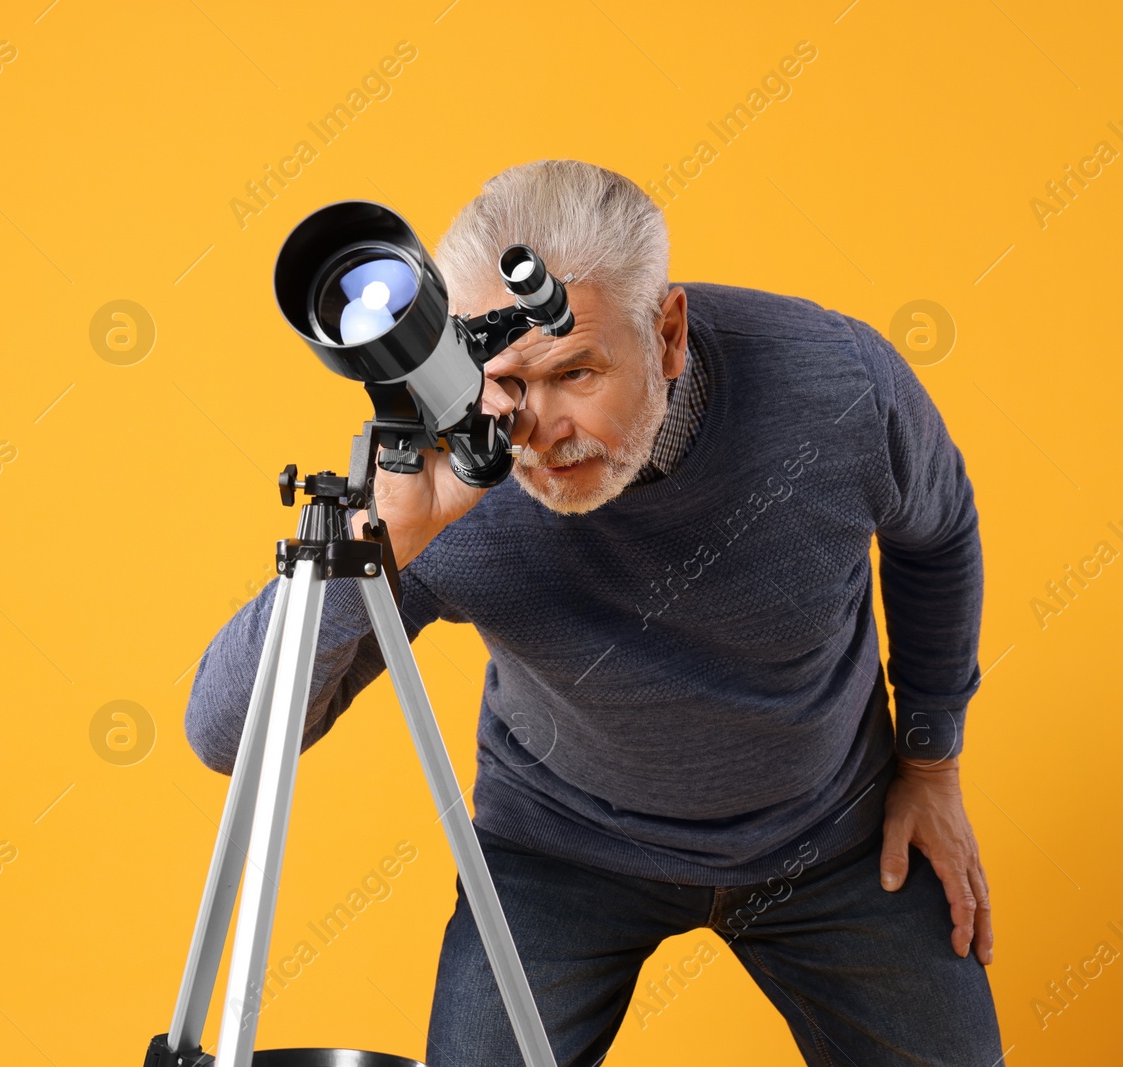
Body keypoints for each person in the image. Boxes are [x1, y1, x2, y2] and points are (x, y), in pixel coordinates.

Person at [184, 159, 1000, 1065]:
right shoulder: (434, 472)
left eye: (577, 371)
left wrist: (932, 760)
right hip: (561, 846)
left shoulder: (837, 388)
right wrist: (384, 546)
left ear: (669, 334)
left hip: (830, 829)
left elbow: (940, 530)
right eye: (508, 384)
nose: (540, 430)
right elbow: (228, 736)